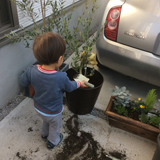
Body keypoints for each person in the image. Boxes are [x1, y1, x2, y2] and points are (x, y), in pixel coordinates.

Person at [19, 32, 87, 149]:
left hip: (38, 108)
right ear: (60, 59)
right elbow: (70, 87)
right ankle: (53, 141)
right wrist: (79, 83)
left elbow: (22, 81)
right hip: (54, 112)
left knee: (46, 120)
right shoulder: (60, 77)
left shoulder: (32, 70)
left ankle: (44, 134)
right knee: (55, 126)